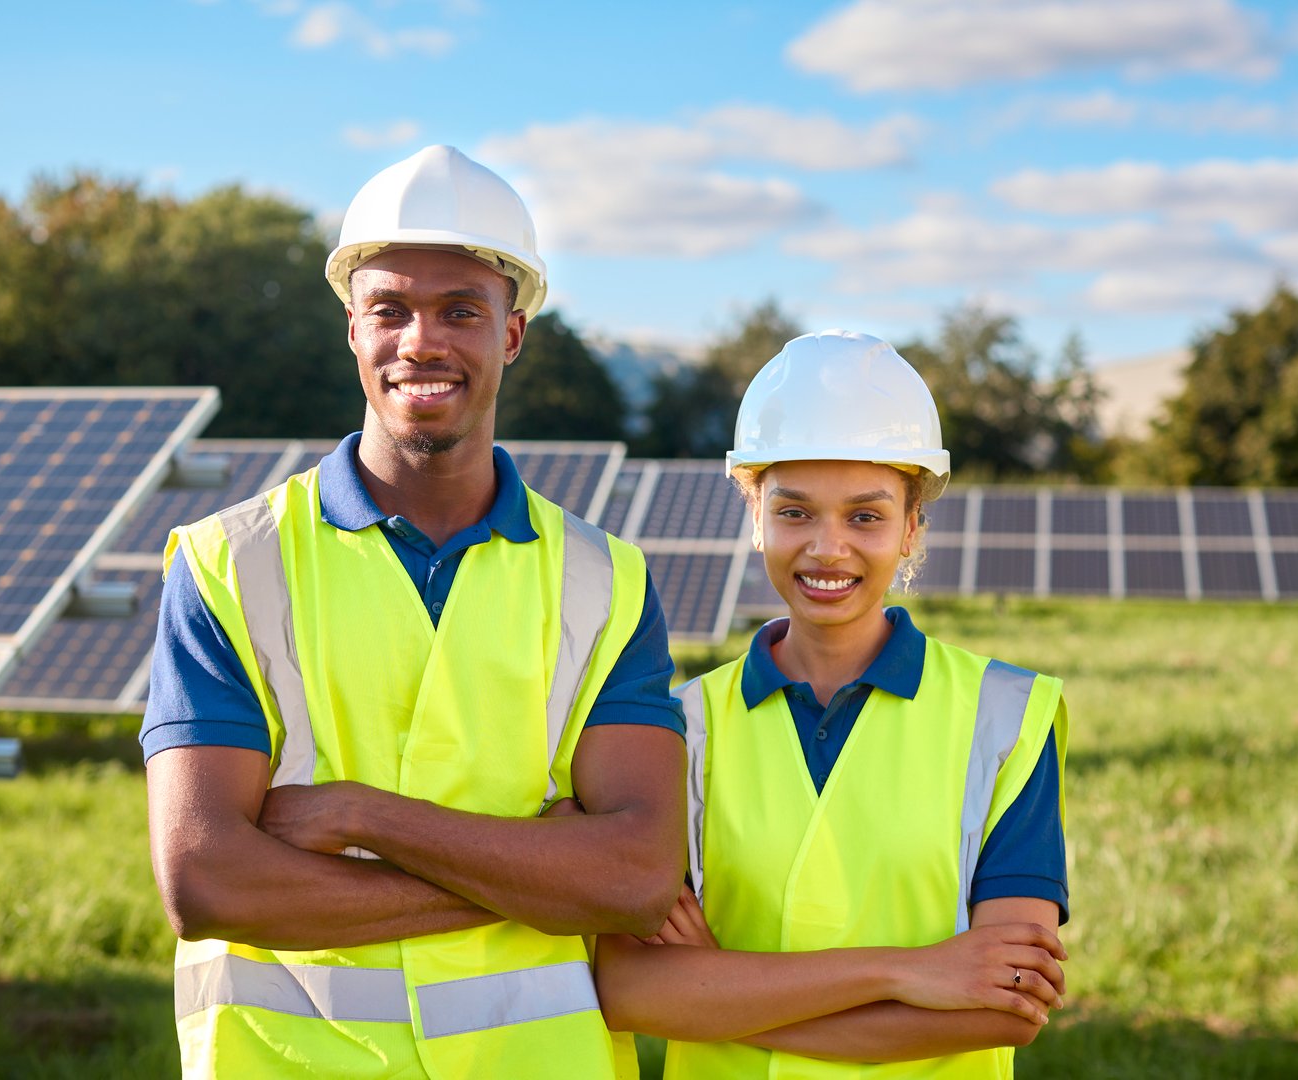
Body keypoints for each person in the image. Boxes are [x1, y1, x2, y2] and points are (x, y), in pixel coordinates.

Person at [142, 145, 686, 1079]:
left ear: (511, 335)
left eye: (461, 312)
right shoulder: (229, 561)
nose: (420, 342)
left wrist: (364, 816)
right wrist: (547, 875)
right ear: (350, 330)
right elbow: (207, 879)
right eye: (388, 309)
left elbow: (637, 875)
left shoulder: (608, 580)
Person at [594, 329, 1071, 1078]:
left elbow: (1002, 1004)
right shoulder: (675, 728)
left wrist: (719, 990)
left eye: (865, 516)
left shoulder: (1007, 717)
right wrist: (908, 972)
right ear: (754, 515)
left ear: (912, 527)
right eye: (793, 512)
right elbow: (626, 990)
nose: (826, 548)